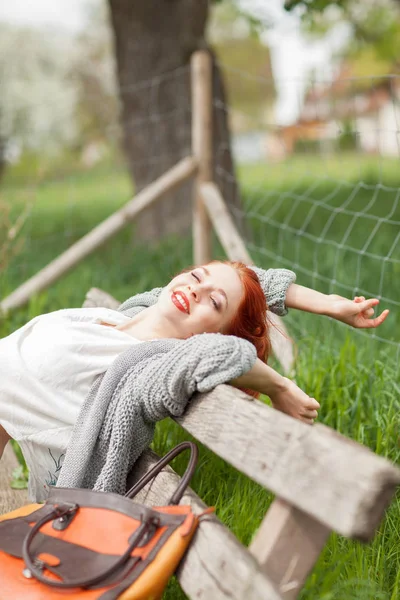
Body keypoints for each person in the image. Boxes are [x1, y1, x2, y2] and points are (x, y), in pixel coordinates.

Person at [0, 261, 388, 501]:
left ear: (213, 334)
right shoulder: (133, 314)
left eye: (214, 303)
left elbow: (225, 355)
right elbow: (252, 278)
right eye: (196, 276)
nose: (195, 290)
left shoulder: (150, 365)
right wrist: (330, 303)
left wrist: (279, 387)